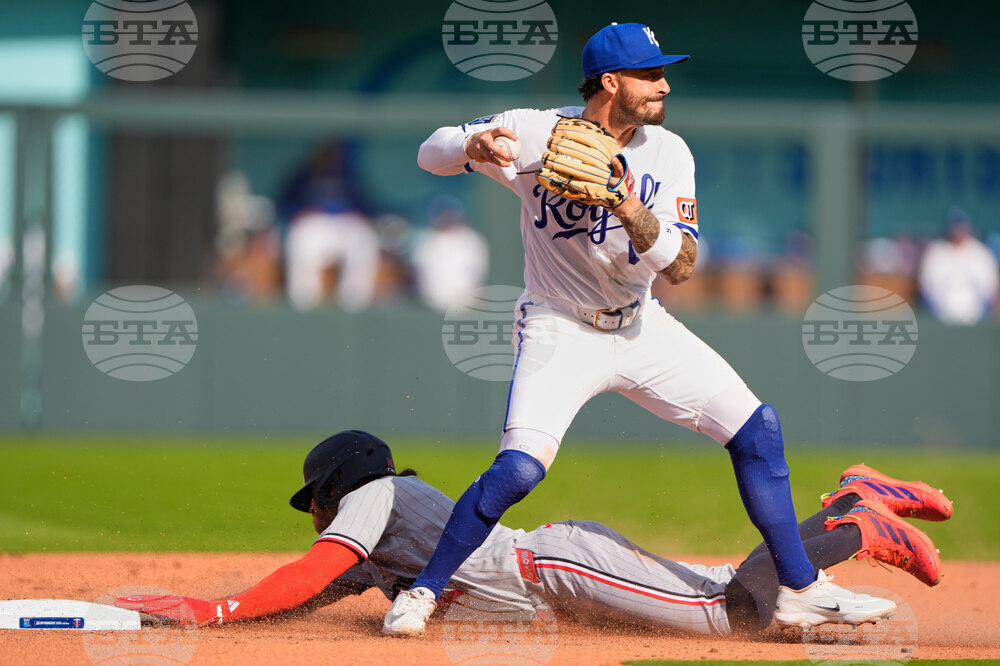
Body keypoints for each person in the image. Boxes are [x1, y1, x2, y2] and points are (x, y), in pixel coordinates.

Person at [385, 22, 896, 635]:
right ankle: (423, 591)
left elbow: (681, 265)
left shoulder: (670, 152)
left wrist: (625, 202)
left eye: (662, 73)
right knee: (518, 471)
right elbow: (431, 152)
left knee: (758, 431)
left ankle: (800, 590)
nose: (664, 85)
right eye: (650, 75)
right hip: (558, 326)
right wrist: (477, 145)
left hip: (641, 326)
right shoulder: (536, 130)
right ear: (610, 81)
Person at [114, 430, 951, 635]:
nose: (316, 513)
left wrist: (211, 612)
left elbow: (306, 573)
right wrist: (199, 616)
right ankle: (851, 506)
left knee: (734, 613)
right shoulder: (380, 535)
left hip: (555, 568)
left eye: (315, 499)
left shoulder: (375, 495)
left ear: (338, 485)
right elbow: (306, 596)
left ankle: (855, 521)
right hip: (562, 567)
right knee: (742, 599)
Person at [918, 207, 999, 325]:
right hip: (942, 313)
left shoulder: (980, 252)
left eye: (962, 226)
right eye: (956, 227)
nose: (958, 231)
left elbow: (990, 285)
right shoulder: (937, 251)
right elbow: (927, 285)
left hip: (975, 314)